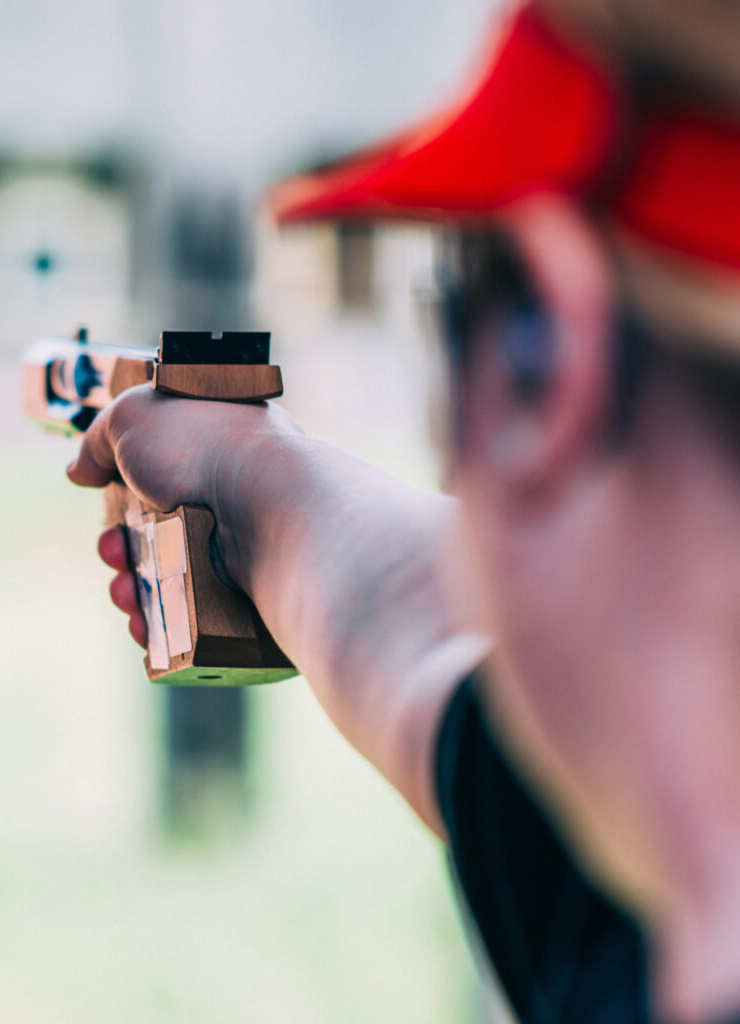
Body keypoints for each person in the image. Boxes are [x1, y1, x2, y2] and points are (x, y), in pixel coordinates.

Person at [67, 1, 740, 1020]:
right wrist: (245, 477)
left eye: (458, 315)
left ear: (545, 365)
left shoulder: (641, 927)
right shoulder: (651, 881)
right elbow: (431, 654)